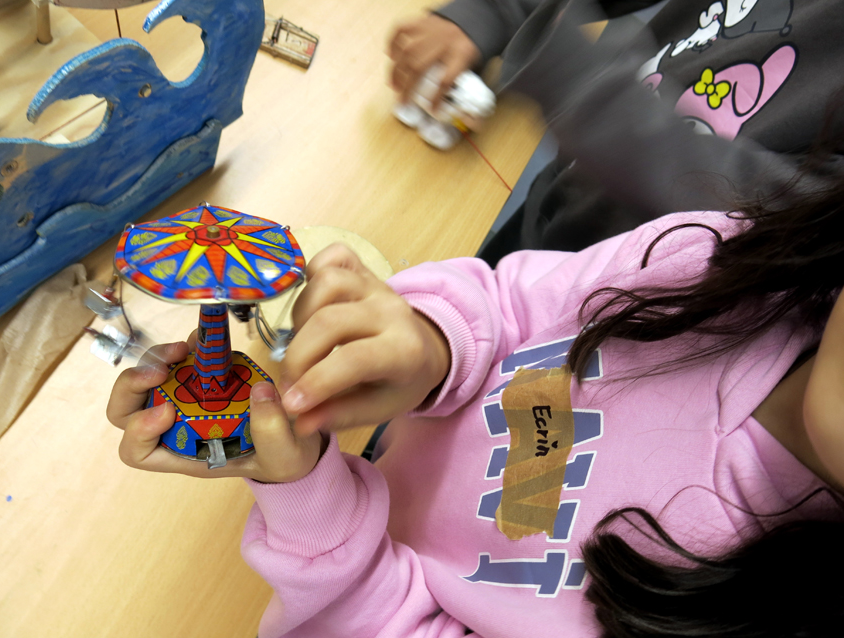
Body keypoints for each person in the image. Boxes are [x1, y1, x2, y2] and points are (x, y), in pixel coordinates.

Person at [108, 168, 844, 636]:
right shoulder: (726, 258)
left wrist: (310, 501)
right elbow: (521, 304)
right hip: (363, 475)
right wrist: (435, 345)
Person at [388, 0, 844, 266]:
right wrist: (488, 11)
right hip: (564, 198)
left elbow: (792, 224)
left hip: (623, 325)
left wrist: (583, 86)